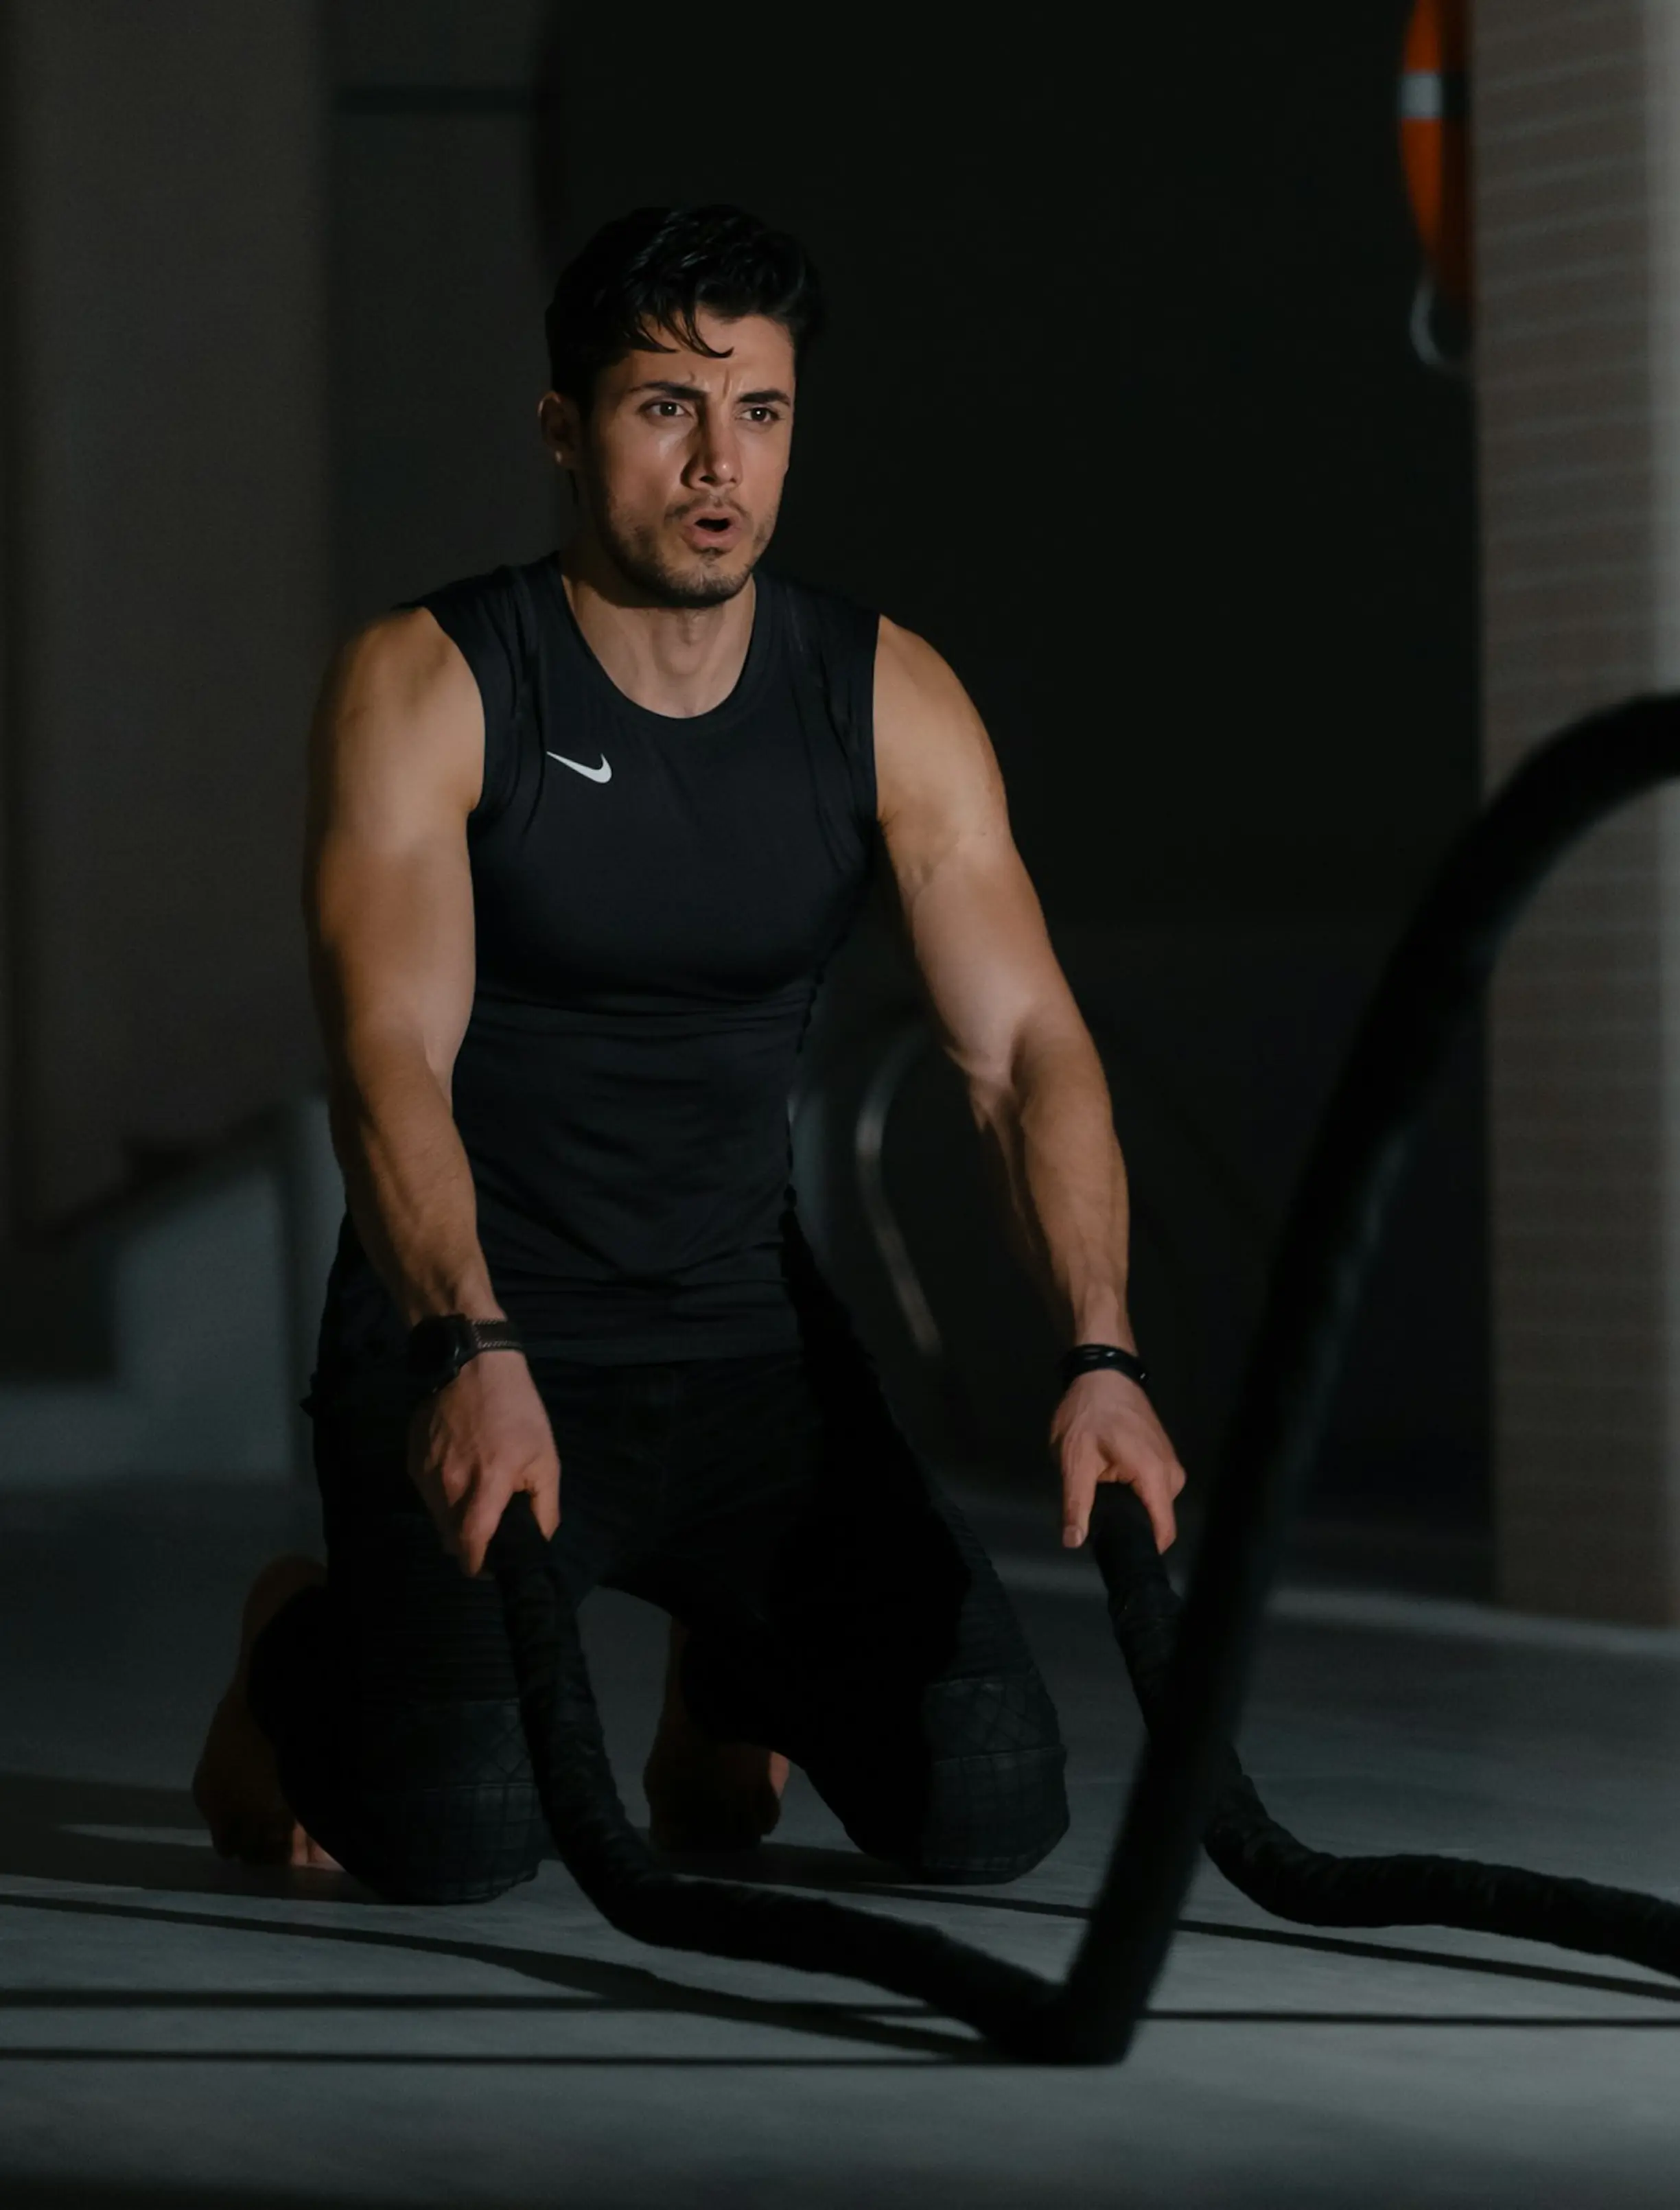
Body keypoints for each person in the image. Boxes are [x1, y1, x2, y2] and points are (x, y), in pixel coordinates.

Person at [189, 204, 1187, 1900]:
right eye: (669, 406)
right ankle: (296, 1646)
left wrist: (1103, 1348)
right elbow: (388, 1051)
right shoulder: (431, 681)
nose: (720, 461)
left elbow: (1024, 1048)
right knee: (454, 1838)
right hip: (476, 1336)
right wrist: (466, 1339)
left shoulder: (885, 695)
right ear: (567, 429)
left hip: (748, 1354)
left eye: (763, 412)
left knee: (992, 1796)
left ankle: (730, 1657)